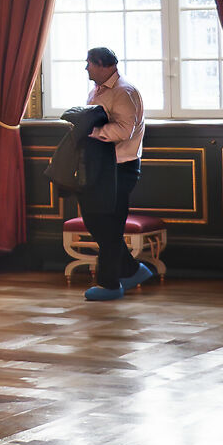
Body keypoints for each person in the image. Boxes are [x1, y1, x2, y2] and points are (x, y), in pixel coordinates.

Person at [80, 46, 151, 302]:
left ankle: (110, 284)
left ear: (103, 65)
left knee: (109, 224)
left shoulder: (124, 92)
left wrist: (91, 132)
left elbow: (124, 131)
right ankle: (132, 270)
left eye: (89, 63)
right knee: (96, 221)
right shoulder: (98, 91)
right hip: (102, 167)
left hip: (121, 167)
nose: (86, 68)